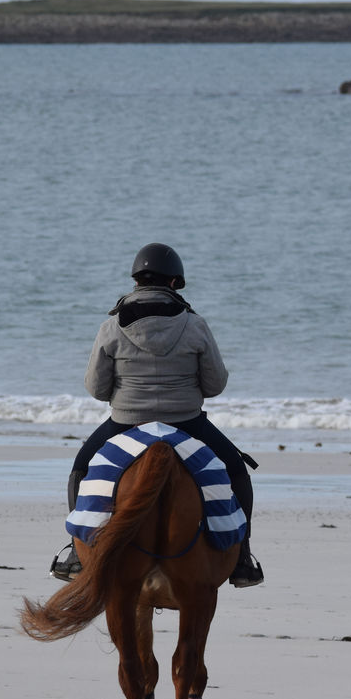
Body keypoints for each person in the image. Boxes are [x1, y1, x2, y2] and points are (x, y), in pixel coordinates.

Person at [50, 243, 263, 588]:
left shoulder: (111, 327)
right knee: (237, 472)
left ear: (136, 281)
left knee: (80, 470)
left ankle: (76, 554)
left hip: (125, 422)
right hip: (188, 423)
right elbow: (215, 384)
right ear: (175, 283)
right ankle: (242, 558)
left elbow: (96, 389)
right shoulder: (195, 325)